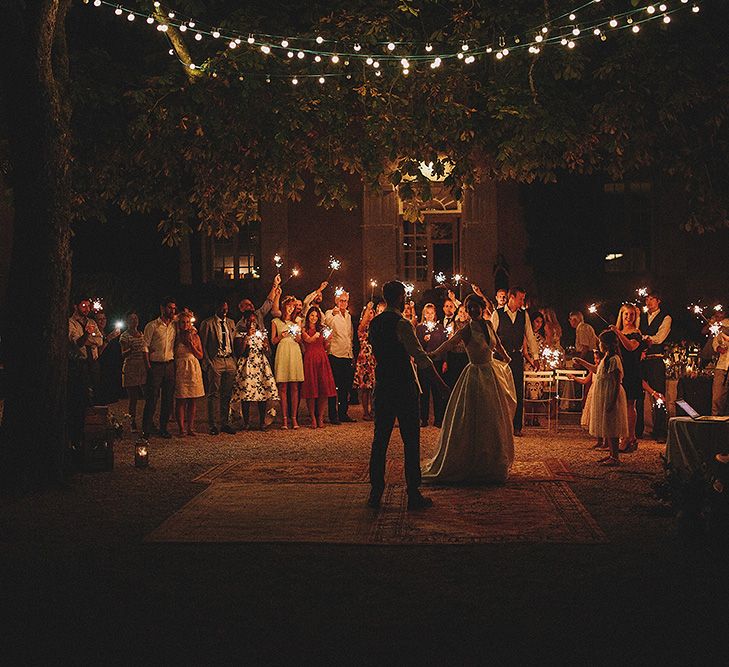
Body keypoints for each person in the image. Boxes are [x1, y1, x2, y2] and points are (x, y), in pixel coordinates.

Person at [367, 281, 448, 510]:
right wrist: (441, 386)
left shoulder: (375, 324)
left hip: (383, 385)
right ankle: (413, 492)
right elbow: (421, 358)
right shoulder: (402, 324)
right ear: (401, 297)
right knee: (411, 441)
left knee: (380, 439)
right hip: (402, 386)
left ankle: (376, 491)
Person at [423, 294, 516, 483]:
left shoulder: (489, 325)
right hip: (474, 375)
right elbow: (450, 343)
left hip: (491, 374)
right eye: (470, 307)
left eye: (476, 307)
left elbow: (496, 344)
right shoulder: (466, 330)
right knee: (472, 417)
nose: (473, 310)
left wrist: (506, 358)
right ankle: (471, 459)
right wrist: (433, 354)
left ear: (482, 308)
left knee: (493, 417)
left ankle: (492, 461)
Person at [491, 287, 540, 436]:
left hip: (517, 357)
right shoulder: (497, 313)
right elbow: (491, 336)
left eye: (523, 299)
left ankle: (516, 426)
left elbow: (530, 336)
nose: (522, 301)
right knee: (500, 391)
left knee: (517, 391)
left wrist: (535, 357)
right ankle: (499, 425)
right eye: (520, 298)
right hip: (500, 358)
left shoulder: (523, 315)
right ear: (511, 297)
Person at [575, 330, 629, 466]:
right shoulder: (605, 358)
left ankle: (615, 456)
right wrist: (582, 362)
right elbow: (596, 369)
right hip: (604, 392)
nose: (599, 344)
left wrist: (612, 400)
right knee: (608, 424)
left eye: (600, 342)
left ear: (606, 344)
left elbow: (616, 382)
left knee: (613, 424)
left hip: (611, 394)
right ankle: (611, 454)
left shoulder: (614, 359)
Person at [231, 309, 279, 430]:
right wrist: (247, 337)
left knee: (262, 393)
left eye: (254, 321)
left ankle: (262, 421)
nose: (252, 323)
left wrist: (265, 346)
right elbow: (240, 352)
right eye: (249, 321)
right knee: (246, 393)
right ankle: (246, 422)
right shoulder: (240, 334)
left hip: (260, 364)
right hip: (247, 365)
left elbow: (268, 352)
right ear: (245, 321)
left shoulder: (261, 333)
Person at [68, 298, 104, 443]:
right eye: (83, 305)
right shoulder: (70, 323)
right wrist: (88, 336)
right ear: (75, 305)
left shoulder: (91, 322)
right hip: (80, 364)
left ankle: (94, 427)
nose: (86, 308)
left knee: (96, 393)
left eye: (88, 306)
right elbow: (77, 343)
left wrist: (89, 337)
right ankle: (78, 431)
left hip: (93, 363)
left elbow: (100, 340)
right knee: (82, 395)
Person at [610, 304, 645, 452]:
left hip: (632, 371)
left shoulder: (636, 333)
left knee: (630, 404)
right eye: (626, 314)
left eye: (631, 315)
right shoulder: (619, 332)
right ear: (621, 315)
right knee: (620, 405)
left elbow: (631, 347)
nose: (628, 317)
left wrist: (618, 333)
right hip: (620, 370)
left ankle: (630, 436)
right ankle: (623, 436)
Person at [199, 300, 237, 435]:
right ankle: (212, 424)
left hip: (229, 359)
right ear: (217, 308)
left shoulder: (231, 323)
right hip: (216, 360)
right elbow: (202, 344)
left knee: (227, 394)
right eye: (222, 309)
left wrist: (234, 360)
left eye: (226, 308)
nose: (225, 311)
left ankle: (225, 422)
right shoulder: (208, 323)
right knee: (213, 393)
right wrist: (208, 362)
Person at [142, 296, 177, 439]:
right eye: (170, 307)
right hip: (156, 365)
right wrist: (148, 366)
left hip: (169, 364)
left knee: (168, 398)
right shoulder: (152, 326)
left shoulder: (174, 326)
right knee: (152, 398)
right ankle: (146, 427)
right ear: (162, 308)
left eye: (174, 308)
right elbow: (145, 346)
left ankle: (163, 427)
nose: (172, 311)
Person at [640, 291, 671, 441]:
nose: (649, 302)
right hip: (642, 360)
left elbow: (659, 338)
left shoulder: (665, 318)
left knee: (658, 394)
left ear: (658, 301)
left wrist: (644, 338)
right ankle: (637, 429)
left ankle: (660, 431)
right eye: (647, 299)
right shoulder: (641, 317)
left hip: (656, 359)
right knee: (638, 394)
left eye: (652, 299)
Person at [272, 296, 304, 429]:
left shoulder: (297, 321)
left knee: (295, 387)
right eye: (289, 305)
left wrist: (297, 335)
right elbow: (273, 341)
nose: (291, 308)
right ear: (284, 306)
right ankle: (284, 419)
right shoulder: (276, 321)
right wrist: (281, 336)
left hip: (294, 351)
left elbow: (299, 339)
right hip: (283, 350)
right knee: (283, 387)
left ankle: (294, 418)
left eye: (293, 306)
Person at [301, 306, 337, 428]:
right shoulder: (303, 329)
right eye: (312, 315)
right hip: (310, 358)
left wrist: (328, 340)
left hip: (322, 358)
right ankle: (312, 417)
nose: (314, 318)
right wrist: (313, 337)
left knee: (323, 389)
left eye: (316, 316)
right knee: (311, 389)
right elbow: (308, 340)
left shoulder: (321, 329)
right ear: (308, 316)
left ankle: (320, 416)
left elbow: (325, 346)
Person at [324, 290, 356, 424]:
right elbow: (327, 324)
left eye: (346, 301)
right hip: (335, 353)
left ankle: (343, 412)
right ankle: (333, 414)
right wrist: (333, 314)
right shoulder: (330, 313)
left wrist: (351, 351)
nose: (344, 303)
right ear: (336, 301)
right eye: (341, 300)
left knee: (345, 386)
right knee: (334, 386)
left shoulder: (348, 315)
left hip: (347, 354)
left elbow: (350, 334)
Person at [415, 303, 447, 427]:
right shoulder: (420, 328)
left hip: (437, 361)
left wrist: (445, 361)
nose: (429, 315)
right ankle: (423, 418)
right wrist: (424, 340)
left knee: (437, 391)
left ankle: (438, 419)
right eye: (427, 313)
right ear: (424, 314)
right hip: (424, 362)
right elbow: (417, 346)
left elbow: (444, 345)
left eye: (431, 313)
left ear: (435, 314)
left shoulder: (440, 328)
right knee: (424, 391)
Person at [173, 311, 204, 436]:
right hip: (180, 367)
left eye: (187, 322)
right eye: (183, 322)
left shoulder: (195, 336)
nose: (185, 325)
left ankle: (191, 427)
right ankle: (181, 428)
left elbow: (200, 355)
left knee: (192, 399)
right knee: (181, 399)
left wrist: (192, 345)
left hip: (193, 367)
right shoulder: (175, 336)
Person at [120, 311, 148, 431]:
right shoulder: (124, 336)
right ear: (127, 321)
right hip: (131, 367)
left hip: (142, 367)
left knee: (148, 395)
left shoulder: (142, 334)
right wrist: (130, 349)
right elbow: (123, 354)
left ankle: (148, 420)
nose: (134, 321)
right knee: (133, 398)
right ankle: (132, 422)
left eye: (136, 318)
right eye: (131, 319)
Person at [93, 311, 122, 405]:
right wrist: (108, 339)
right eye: (99, 319)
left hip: (110, 368)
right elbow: (98, 352)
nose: (102, 321)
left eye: (104, 319)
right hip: (100, 368)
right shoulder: (94, 334)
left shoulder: (105, 333)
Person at [354, 301, 377, 421]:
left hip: (374, 358)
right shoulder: (362, 328)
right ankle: (365, 412)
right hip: (364, 358)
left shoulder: (377, 327)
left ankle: (374, 410)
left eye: (372, 313)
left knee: (374, 386)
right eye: (369, 314)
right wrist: (368, 309)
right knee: (364, 387)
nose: (370, 315)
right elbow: (362, 325)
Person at [444, 303, 470, 388]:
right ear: (458, 313)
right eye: (461, 311)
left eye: (465, 311)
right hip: (455, 356)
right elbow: (449, 341)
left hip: (467, 356)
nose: (463, 314)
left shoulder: (471, 325)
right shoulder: (453, 324)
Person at [711, 314, 729, 415]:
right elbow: (715, 343)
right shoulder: (722, 326)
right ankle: (716, 423)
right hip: (721, 367)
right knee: (717, 398)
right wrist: (718, 348)